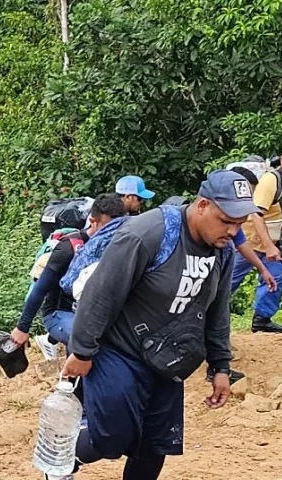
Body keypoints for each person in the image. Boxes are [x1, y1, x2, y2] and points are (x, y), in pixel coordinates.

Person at [60, 170, 250, 480]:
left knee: (156, 445)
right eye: (227, 220)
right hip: (118, 350)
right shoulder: (150, 233)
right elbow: (101, 292)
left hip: (169, 355)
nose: (233, 231)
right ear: (203, 205)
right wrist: (82, 351)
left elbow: (217, 309)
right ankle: (62, 456)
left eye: (239, 224)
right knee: (112, 438)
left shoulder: (222, 251)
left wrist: (221, 366)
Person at [10, 194, 126, 359]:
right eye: (108, 226)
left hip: (98, 313)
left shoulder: (121, 246)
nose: (112, 232)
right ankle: (68, 382)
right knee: (82, 340)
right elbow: (41, 287)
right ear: (93, 221)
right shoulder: (69, 247)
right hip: (61, 312)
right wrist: (22, 328)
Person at [229, 161, 282, 333]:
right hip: (249, 241)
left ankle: (262, 319)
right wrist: (268, 246)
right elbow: (256, 214)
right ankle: (202, 313)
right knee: (228, 279)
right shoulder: (271, 180)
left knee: (276, 278)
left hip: (273, 243)